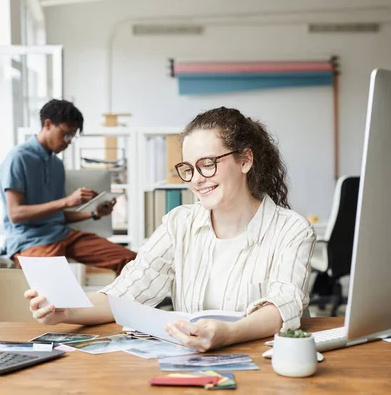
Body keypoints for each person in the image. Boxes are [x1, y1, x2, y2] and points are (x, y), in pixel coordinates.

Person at [25, 107, 316, 352]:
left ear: (245, 160)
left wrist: (228, 334)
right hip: (195, 370)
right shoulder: (179, 224)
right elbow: (127, 293)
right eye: (189, 168)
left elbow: (283, 308)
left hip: (265, 369)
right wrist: (65, 310)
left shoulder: (291, 230)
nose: (197, 179)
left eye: (208, 164)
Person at [0, 99, 136, 273]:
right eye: (66, 134)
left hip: (62, 235)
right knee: (57, 287)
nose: (69, 141)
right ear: (48, 124)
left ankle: (118, 300)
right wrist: (66, 201)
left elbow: (56, 215)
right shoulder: (18, 158)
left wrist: (94, 214)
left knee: (132, 261)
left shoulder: (56, 164)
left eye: (72, 136)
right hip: (30, 240)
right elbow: (15, 214)